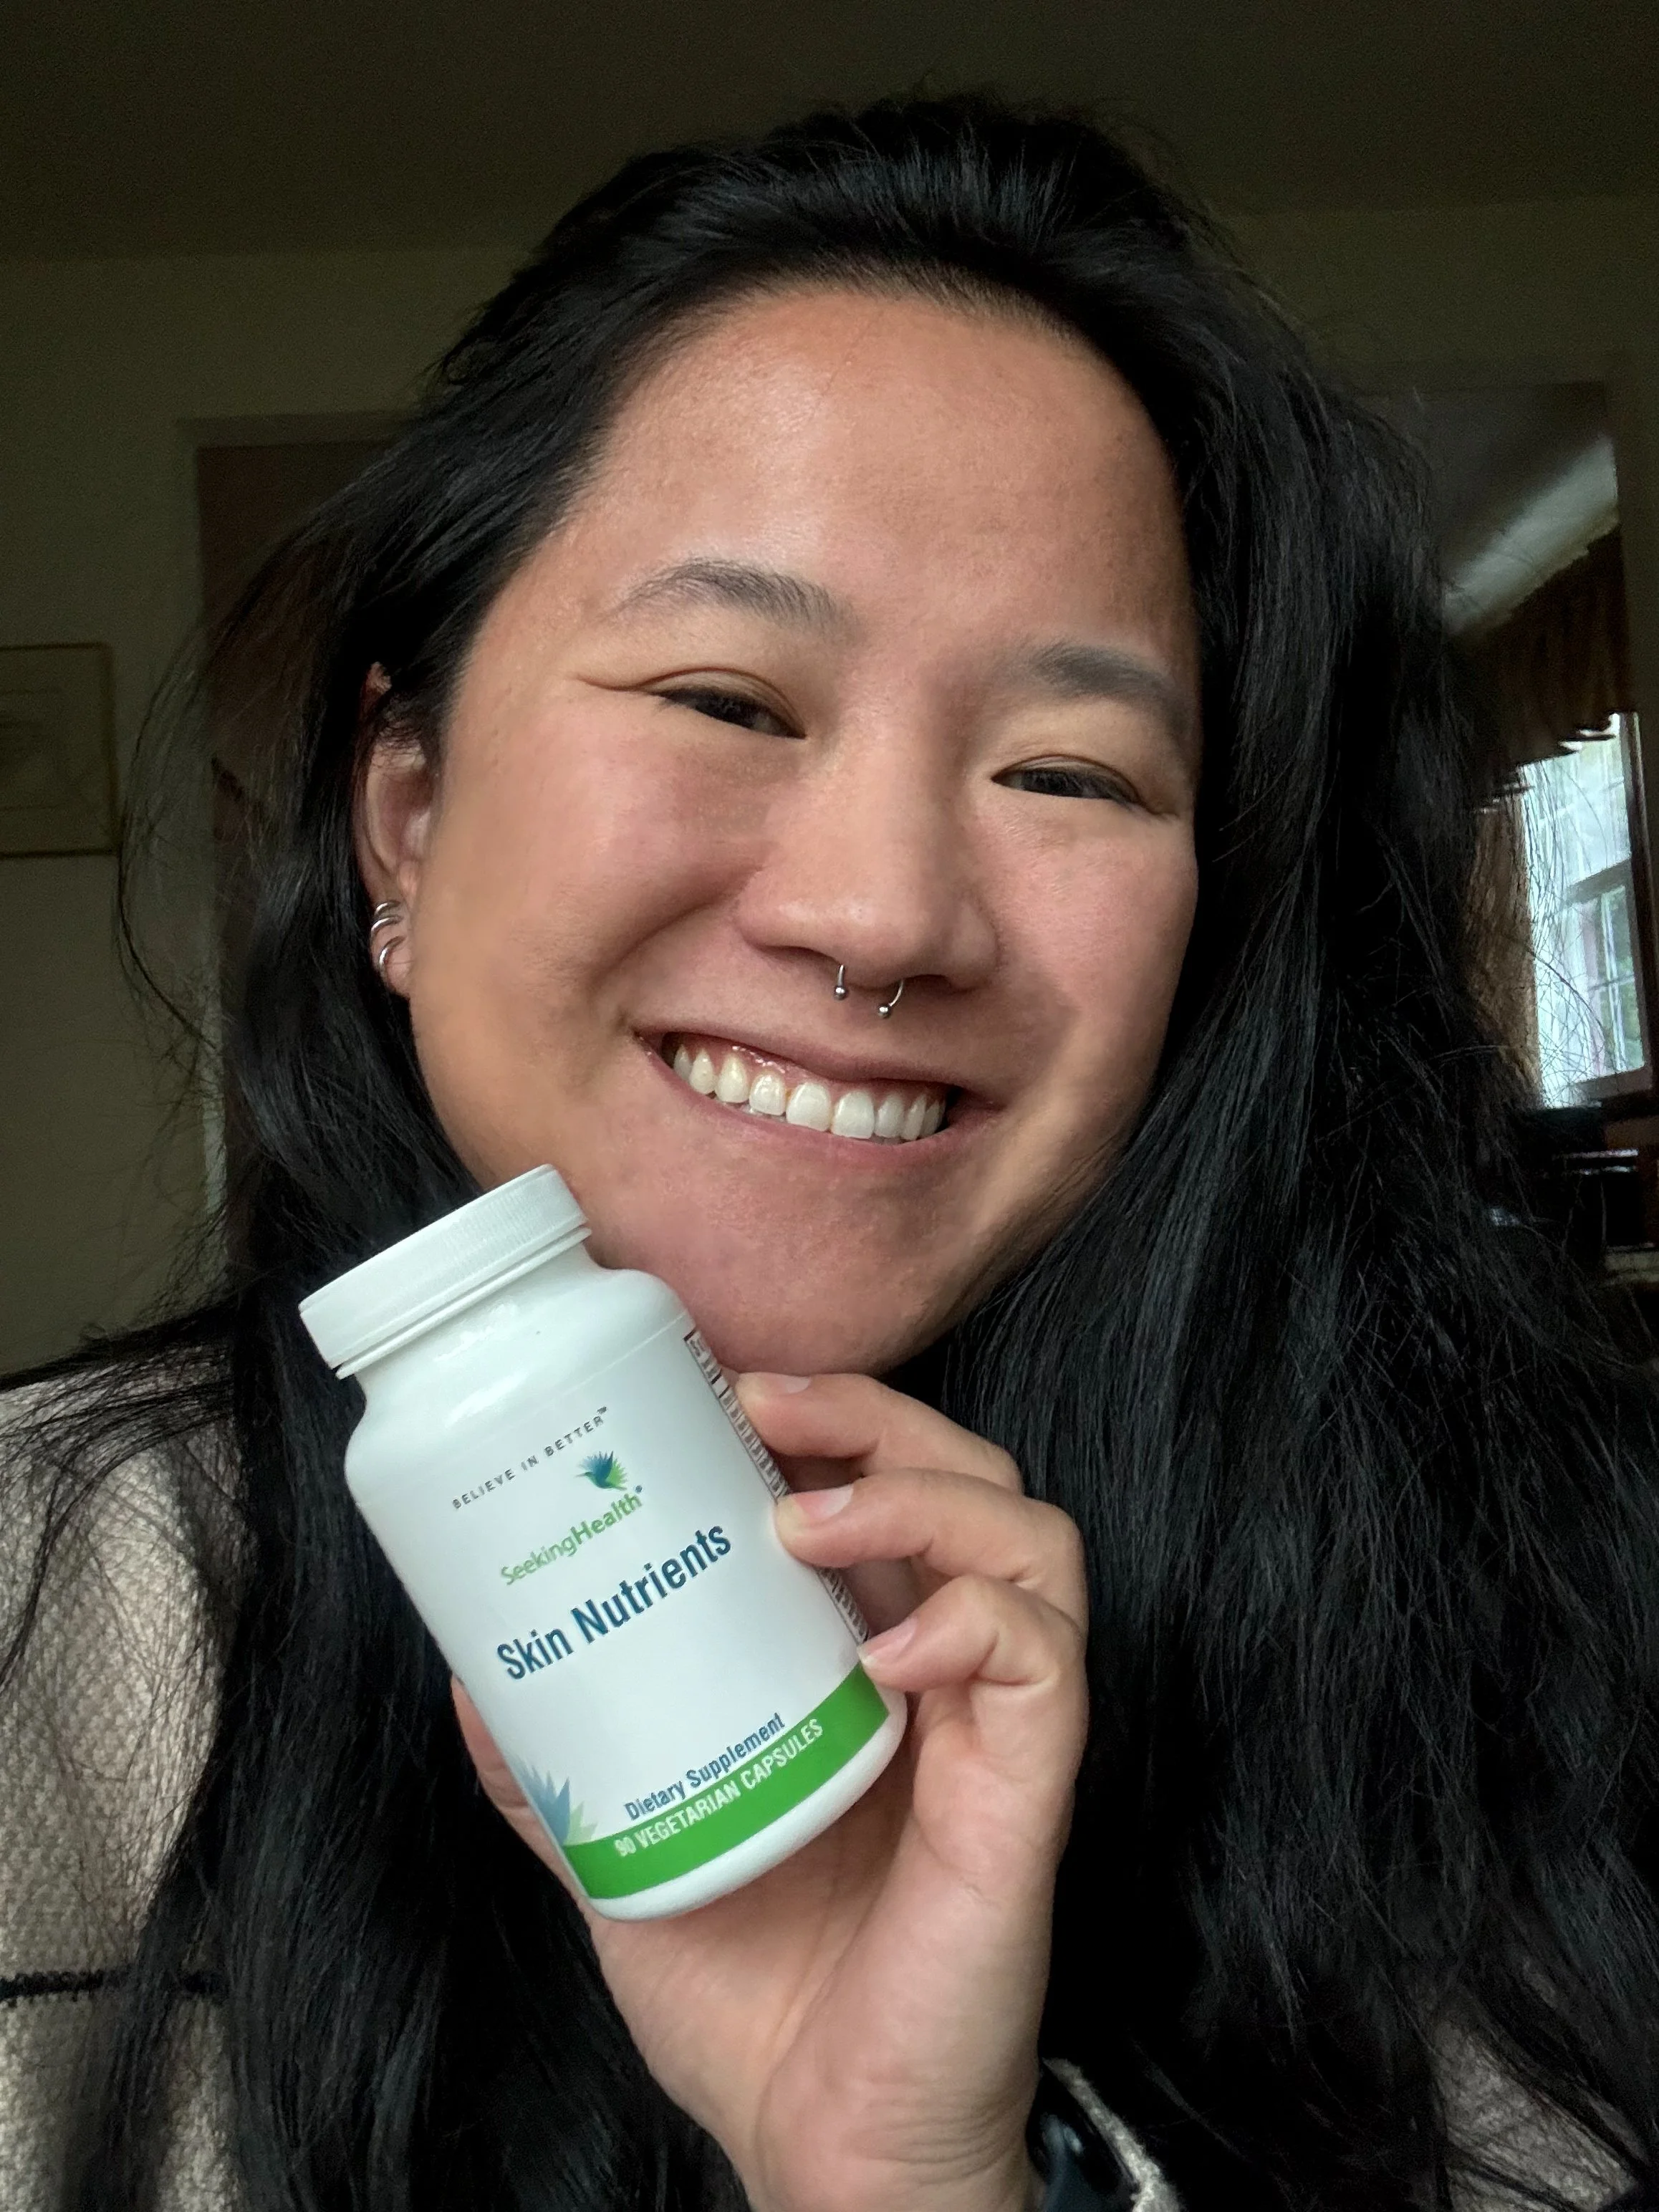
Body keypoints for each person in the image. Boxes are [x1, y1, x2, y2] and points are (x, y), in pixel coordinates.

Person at [3, 92, 1657, 2212]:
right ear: (401, 817)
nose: (882, 915)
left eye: (1065, 769)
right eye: (724, 698)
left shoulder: (1531, 1650)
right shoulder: (45, 1637)